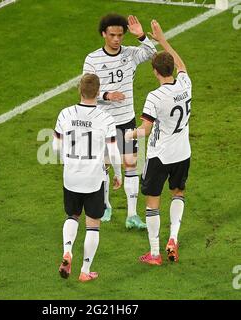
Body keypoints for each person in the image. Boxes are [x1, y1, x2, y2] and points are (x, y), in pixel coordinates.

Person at [125, 20, 192, 265]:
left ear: (155, 72)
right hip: (183, 152)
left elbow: (145, 130)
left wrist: (129, 134)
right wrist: (162, 39)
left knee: (152, 202)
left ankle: (154, 254)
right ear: (172, 69)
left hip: (160, 155)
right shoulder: (186, 83)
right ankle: (173, 237)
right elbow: (181, 63)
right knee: (178, 192)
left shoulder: (154, 97)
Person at [83, 14, 157, 229]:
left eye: (120, 35)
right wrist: (106, 96)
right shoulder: (92, 59)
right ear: (104, 34)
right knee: (105, 164)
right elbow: (87, 91)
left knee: (131, 163)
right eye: (112, 35)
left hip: (126, 119)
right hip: (103, 121)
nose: (117, 39)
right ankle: (106, 206)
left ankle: (132, 215)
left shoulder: (131, 54)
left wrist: (142, 36)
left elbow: (153, 54)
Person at [53, 73, 122, 282]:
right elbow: (114, 152)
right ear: (98, 92)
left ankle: (67, 251)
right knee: (93, 224)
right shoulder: (105, 118)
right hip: (94, 180)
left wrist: (68, 161)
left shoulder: (65, 114)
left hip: (71, 177)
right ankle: (85, 270)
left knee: (72, 216)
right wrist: (118, 174)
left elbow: (56, 147)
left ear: (79, 91)